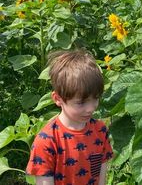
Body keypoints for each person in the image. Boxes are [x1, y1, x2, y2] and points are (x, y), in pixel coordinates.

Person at [26, 49, 113, 185]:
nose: (91, 108)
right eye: (81, 102)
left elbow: (101, 174)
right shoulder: (47, 141)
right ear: (58, 99)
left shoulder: (100, 130)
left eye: (95, 98)